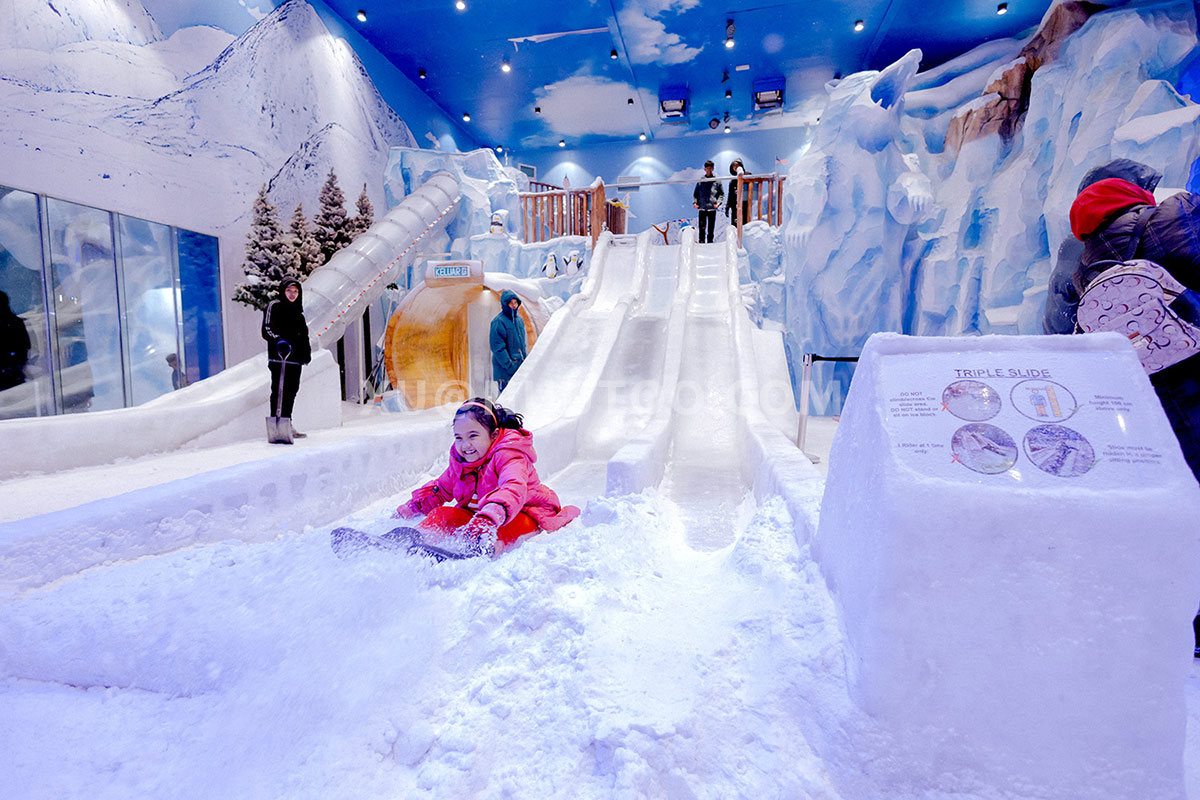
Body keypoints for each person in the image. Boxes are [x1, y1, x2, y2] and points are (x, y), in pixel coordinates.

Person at [1059, 159, 1200, 659]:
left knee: (1178, 492)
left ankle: (1177, 611)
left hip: (1146, 387)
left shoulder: (1087, 259)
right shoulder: (1172, 217)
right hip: (1194, 366)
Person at [393, 397, 580, 556]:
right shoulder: (461, 461)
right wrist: (410, 508)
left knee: (509, 527)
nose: (465, 445)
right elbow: (441, 488)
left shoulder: (510, 455)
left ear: (494, 434)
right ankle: (412, 539)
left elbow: (512, 488)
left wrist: (488, 519)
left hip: (523, 512)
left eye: (473, 436)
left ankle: (483, 550)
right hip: (481, 516)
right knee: (442, 514)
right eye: (459, 437)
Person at [261, 277, 311, 441]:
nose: (292, 294)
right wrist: (278, 340)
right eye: (289, 290)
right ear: (283, 291)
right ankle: (276, 422)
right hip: (279, 358)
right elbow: (266, 329)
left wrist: (306, 353)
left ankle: (287, 422)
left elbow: (304, 335)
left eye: (295, 291)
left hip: (294, 359)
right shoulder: (274, 306)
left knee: (291, 391)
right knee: (279, 390)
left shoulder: (299, 313)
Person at [490, 289, 527, 393]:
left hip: (518, 368)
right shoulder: (498, 322)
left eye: (515, 302)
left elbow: (521, 344)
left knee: (517, 398)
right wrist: (509, 365)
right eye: (511, 303)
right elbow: (497, 348)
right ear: (505, 304)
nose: (514, 305)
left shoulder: (519, 320)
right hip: (505, 371)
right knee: (505, 400)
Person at [0, 290, 30, 391]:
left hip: (11, 375)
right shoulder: (16, 322)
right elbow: (26, 348)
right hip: (14, 375)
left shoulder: (15, 323)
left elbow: (24, 348)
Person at [692, 159, 724, 244]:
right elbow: (696, 193)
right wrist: (695, 203)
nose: (709, 170)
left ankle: (710, 243)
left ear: (713, 169)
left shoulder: (717, 181)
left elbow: (721, 194)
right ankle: (701, 243)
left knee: (711, 228)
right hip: (702, 208)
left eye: (710, 168)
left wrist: (718, 203)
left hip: (712, 208)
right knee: (702, 227)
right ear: (704, 169)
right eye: (707, 168)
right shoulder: (701, 181)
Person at [727, 158, 752, 227]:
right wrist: (728, 205)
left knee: (745, 224)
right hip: (735, 205)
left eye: (737, 165)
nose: (735, 167)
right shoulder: (732, 181)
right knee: (735, 225)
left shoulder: (748, 176)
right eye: (734, 166)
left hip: (745, 204)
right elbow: (730, 195)